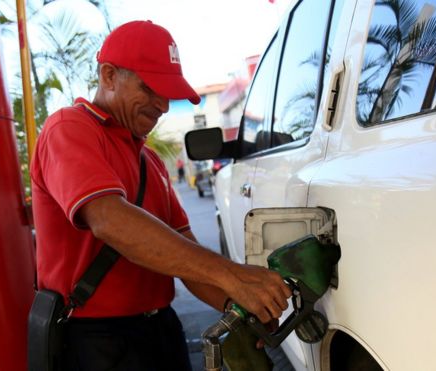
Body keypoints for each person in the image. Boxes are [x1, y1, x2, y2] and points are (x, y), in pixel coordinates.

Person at [30, 20, 291, 370]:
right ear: (108, 76)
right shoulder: (69, 129)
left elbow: (187, 253)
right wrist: (234, 276)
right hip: (96, 340)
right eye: (150, 88)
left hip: (160, 330)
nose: (163, 106)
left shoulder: (149, 159)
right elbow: (109, 220)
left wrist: (241, 306)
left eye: (167, 94)